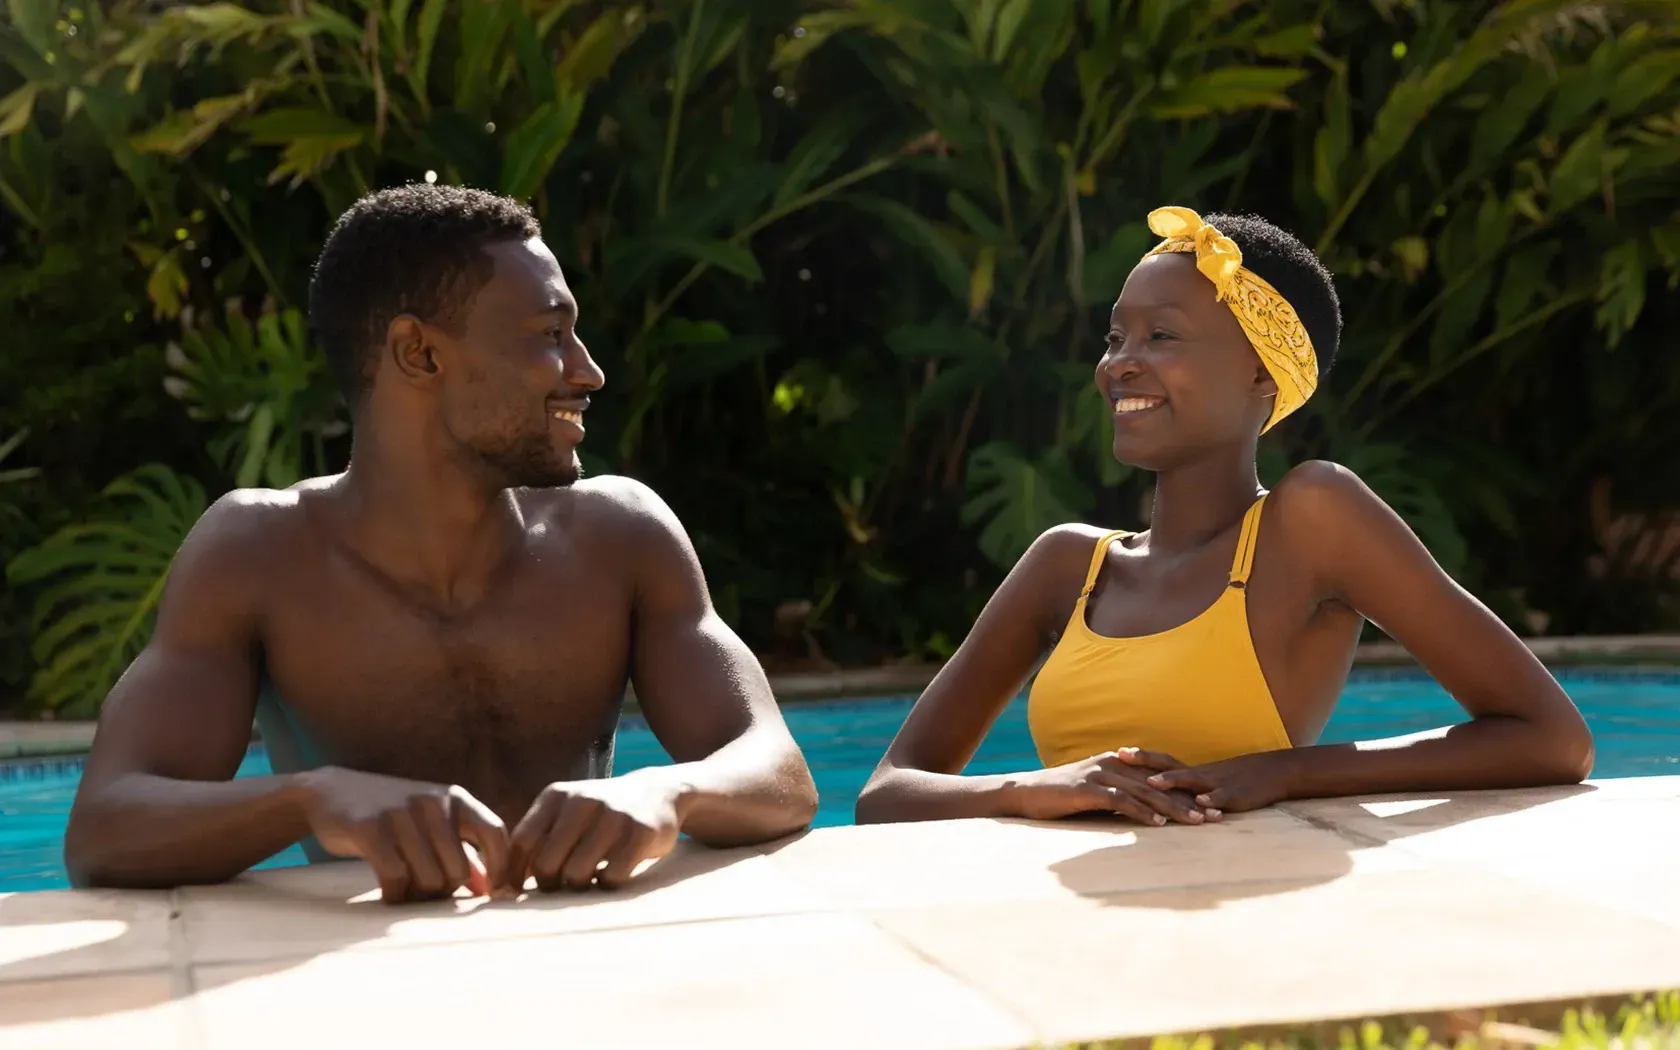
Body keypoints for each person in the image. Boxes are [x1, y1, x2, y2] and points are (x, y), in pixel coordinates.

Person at [64, 184, 818, 902]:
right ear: (419, 354)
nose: (588, 371)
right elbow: (104, 829)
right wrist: (311, 800)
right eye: (551, 336)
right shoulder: (261, 557)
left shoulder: (619, 538)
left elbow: (781, 773)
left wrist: (667, 790)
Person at [855, 206, 1593, 826]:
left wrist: (1283, 773)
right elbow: (886, 795)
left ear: (1261, 376)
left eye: (1161, 336)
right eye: (1115, 338)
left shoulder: (1313, 520)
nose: (1119, 364)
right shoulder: (1066, 566)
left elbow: (1551, 739)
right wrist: (1032, 790)